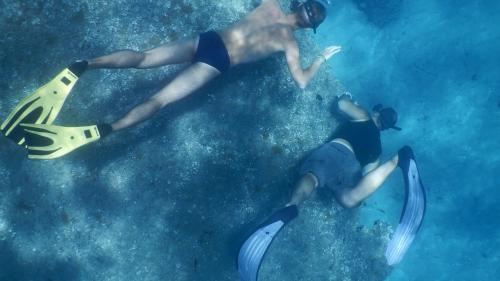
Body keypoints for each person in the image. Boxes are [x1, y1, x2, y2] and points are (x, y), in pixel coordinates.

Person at [2, 0, 341, 159]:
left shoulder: (268, 4)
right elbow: (301, 82)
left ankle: (82, 66)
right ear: (311, 26)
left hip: (206, 40)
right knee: (160, 101)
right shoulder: (290, 44)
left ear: (300, 4)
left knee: (143, 58)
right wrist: (321, 60)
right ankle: (104, 130)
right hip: (218, 61)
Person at [238, 93, 414, 281]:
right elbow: (367, 177)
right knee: (349, 198)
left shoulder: (364, 116)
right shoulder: (377, 150)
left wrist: (349, 100)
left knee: (311, 177)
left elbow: (340, 104)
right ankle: (397, 160)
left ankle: (291, 205)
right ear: (387, 128)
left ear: (377, 113)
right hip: (352, 167)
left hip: (336, 150)